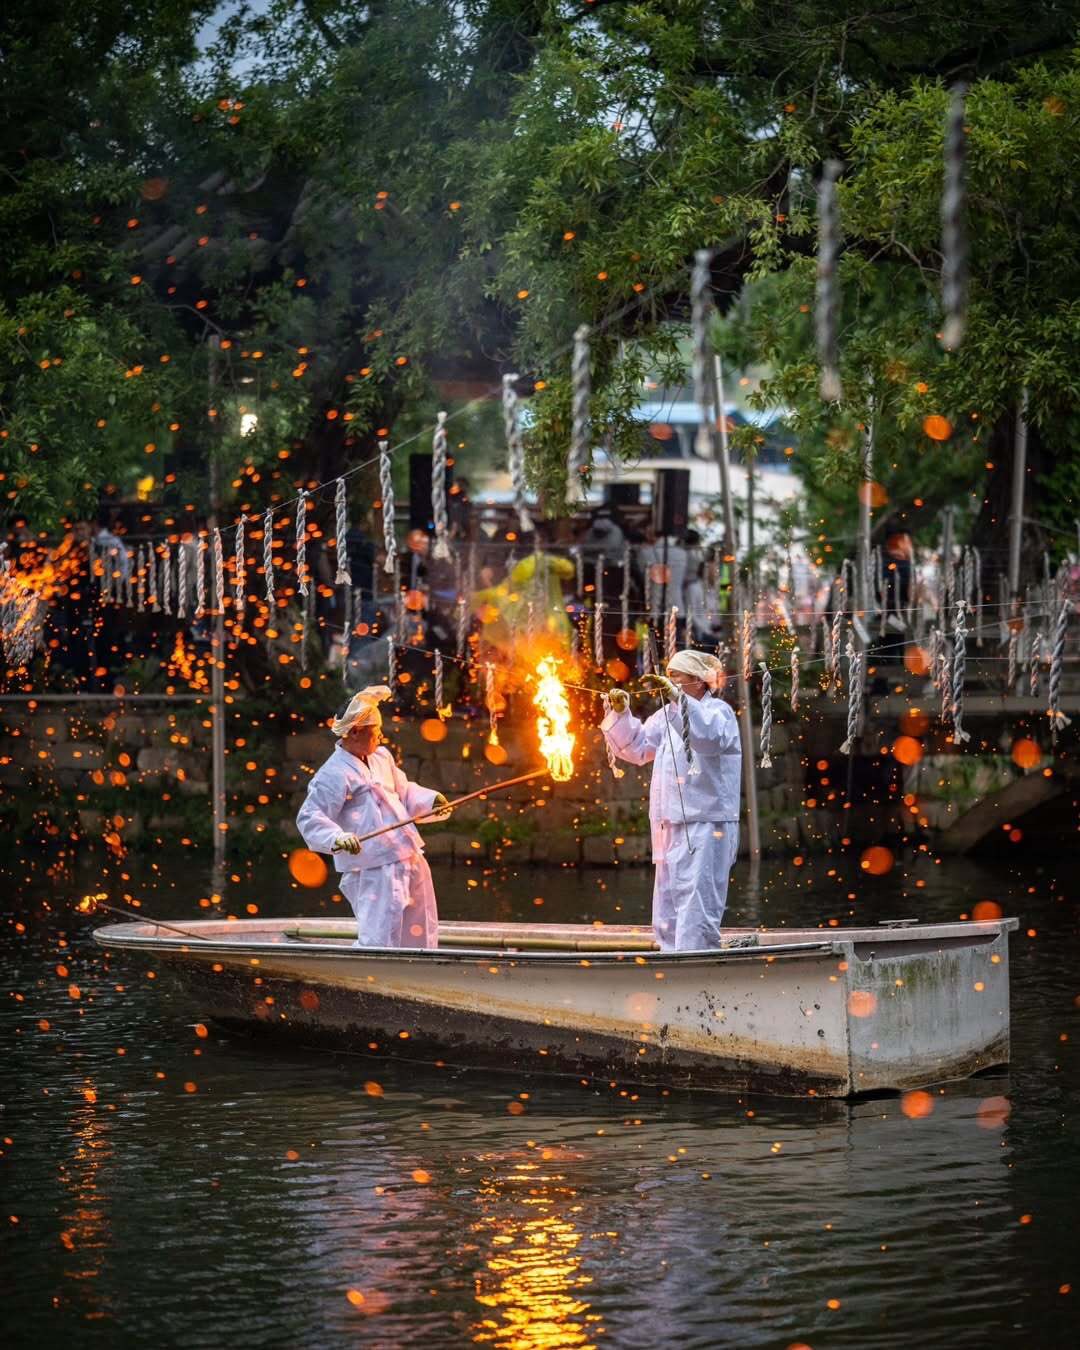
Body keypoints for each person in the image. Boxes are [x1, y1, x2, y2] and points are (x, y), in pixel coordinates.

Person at [600, 650, 741, 950]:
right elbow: (636, 748)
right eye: (670, 675)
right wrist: (621, 712)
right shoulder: (665, 717)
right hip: (669, 823)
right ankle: (670, 959)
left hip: (707, 823)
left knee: (697, 903)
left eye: (678, 676)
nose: (671, 681)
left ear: (699, 681)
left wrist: (678, 699)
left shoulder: (719, 713)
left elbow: (706, 738)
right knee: (667, 904)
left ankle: (697, 964)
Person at [295, 686, 452, 948]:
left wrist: (430, 801)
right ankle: (374, 979)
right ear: (355, 731)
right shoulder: (332, 774)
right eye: (375, 731)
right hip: (373, 865)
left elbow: (403, 792)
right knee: (380, 934)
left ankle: (420, 975)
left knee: (420, 928)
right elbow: (311, 817)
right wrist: (338, 838)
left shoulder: (381, 757)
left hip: (408, 854)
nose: (380, 736)